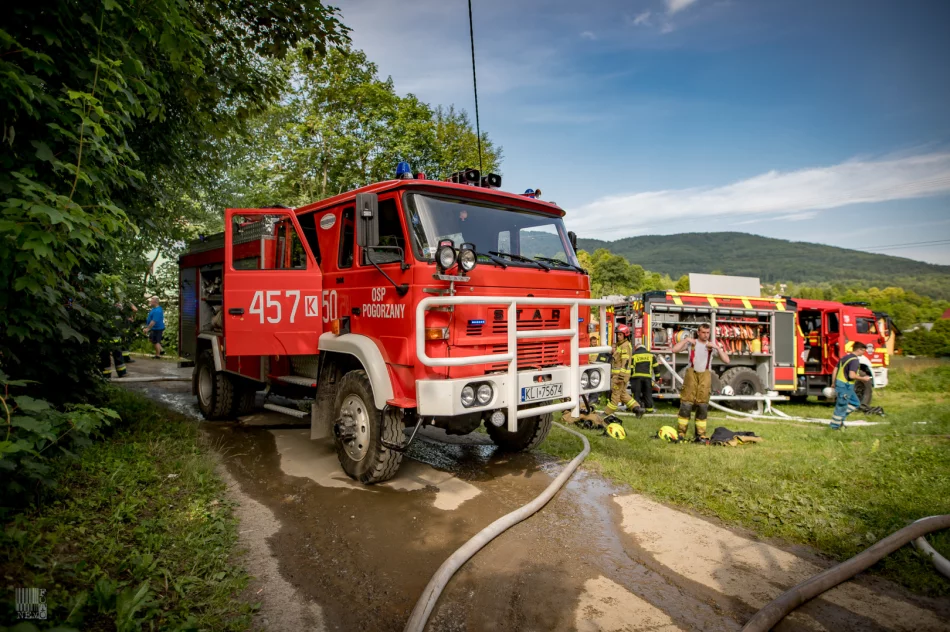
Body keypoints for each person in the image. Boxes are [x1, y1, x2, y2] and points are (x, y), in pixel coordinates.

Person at [671, 323, 730, 441]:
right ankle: (681, 433)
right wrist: (686, 340)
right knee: (686, 405)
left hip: (705, 376)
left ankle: (700, 434)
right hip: (691, 375)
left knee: (702, 405)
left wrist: (717, 348)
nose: (706, 335)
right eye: (703, 332)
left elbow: (727, 360)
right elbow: (674, 350)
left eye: (708, 333)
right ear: (698, 332)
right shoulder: (691, 344)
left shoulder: (711, 347)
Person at [603, 324, 644, 419]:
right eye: (617, 334)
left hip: (620, 375)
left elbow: (625, 362)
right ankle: (637, 409)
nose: (618, 336)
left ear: (625, 335)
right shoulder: (621, 345)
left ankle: (607, 413)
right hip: (620, 375)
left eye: (620, 334)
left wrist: (621, 376)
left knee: (615, 394)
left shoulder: (625, 346)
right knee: (622, 394)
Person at [830, 341, 871, 429]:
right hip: (845, 386)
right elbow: (851, 375)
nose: (864, 353)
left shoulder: (845, 357)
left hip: (843, 385)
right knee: (841, 406)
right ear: (859, 350)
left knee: (855, 403)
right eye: (863, 351)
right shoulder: (854, 360)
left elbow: (835, 370)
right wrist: (863, 378)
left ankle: (840, 421)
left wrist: (833, 382)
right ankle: (834, 427)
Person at [630, 342, 660, 413]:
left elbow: (631, 367)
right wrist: (657, 378)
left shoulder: (634, 355)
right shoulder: (651, 355)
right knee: (647, 393)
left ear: (636, 348)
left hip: (636, 378)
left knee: (636, 394)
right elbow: (656, 367)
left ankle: (636, 409)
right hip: (647, 378)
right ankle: (649, 409)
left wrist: (630, 377)